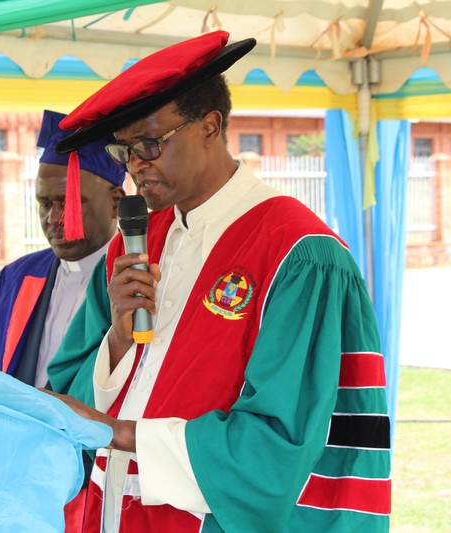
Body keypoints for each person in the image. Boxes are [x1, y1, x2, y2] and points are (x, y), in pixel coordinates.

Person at [45, 30, 392, 532]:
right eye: (124, 151)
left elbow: (280, 442)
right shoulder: (134, 244)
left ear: (210, 126)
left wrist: (118, 433)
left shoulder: (296, 253)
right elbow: (69, 391)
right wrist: (118, 339)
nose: (136, 166)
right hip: (113, 511)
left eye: (150, 144)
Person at [0, 109, 126, 387]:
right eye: (45, 204)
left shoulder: (133, 280)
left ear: (116, 203)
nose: (54, 218)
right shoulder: (16, 278)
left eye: (69, 203)